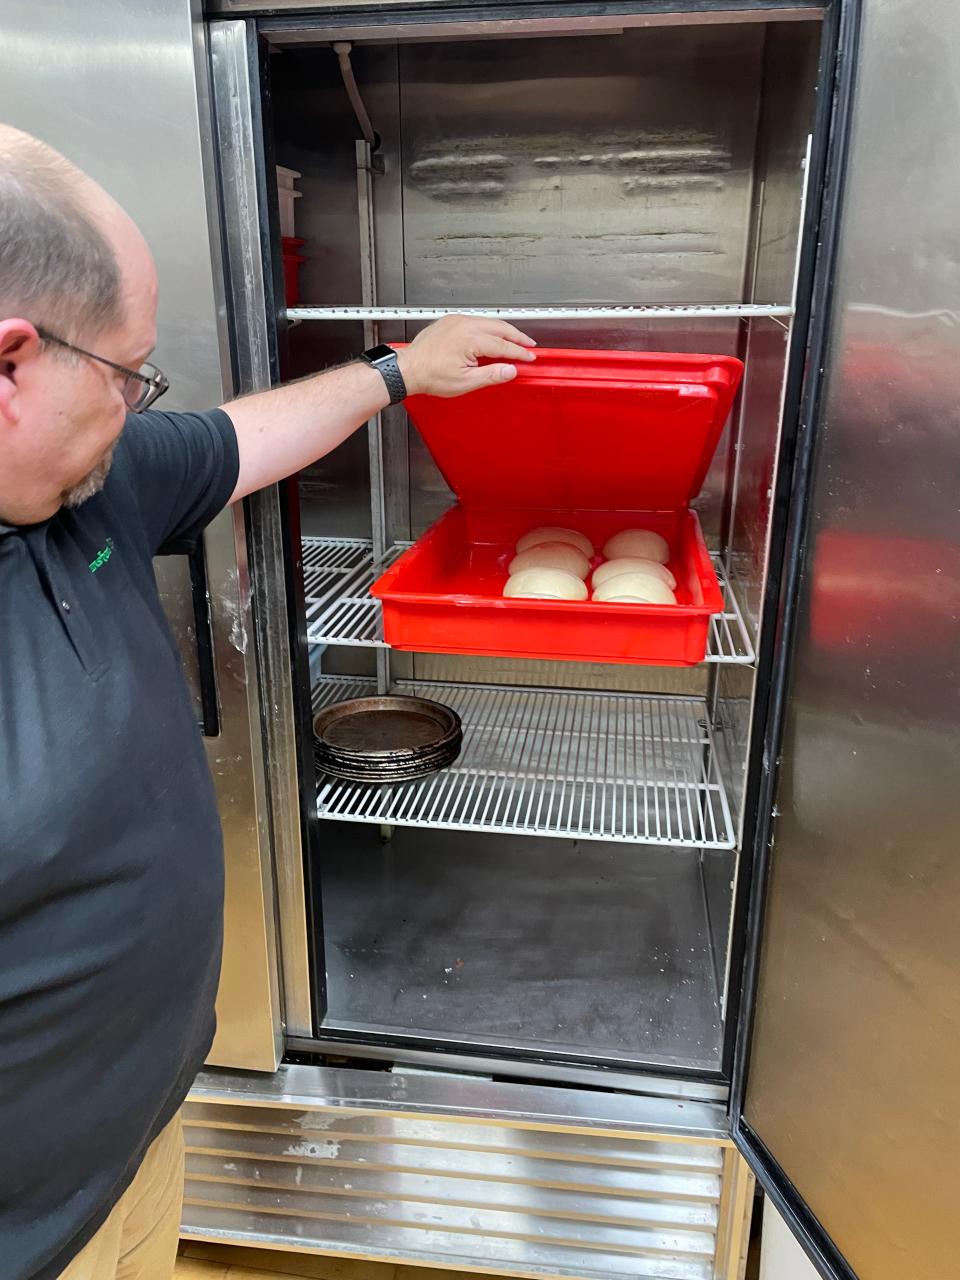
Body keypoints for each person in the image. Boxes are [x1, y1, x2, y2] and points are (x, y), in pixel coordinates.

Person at [0, 124, 536, 1280]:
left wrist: (399, 369)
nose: (143, 405)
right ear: (9, 365)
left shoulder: (83, 480)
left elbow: (242, 439)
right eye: (128, 372)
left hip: (135, 1147)